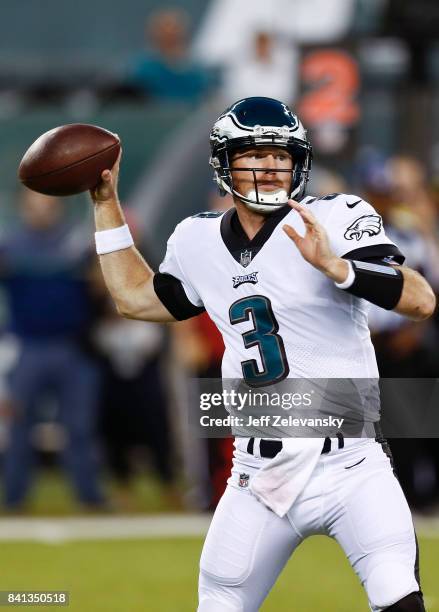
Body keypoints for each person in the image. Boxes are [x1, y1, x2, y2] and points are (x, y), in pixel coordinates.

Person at [90, 97, 435, 611]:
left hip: (350, 462)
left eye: (281, 156)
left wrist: (339, 268)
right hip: (258, 474)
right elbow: (137, 299)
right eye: (255, 154)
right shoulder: (196, 238)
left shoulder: (336, 215)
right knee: (220, 603)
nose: (271, 167)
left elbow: (419, 299)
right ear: (225, 162)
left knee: (398, 597)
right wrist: (104, 205)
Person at [1, 189, 105, 510]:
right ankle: (15, 498)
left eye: (47, 201)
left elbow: (101, 288)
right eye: (35, 203)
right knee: (19, 427)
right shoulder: (10, 246)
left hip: (72, 347)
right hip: (27, 346)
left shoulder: (77, 242)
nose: (42, 209)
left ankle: (89, 496)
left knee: (80, 426)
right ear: (23, 207)